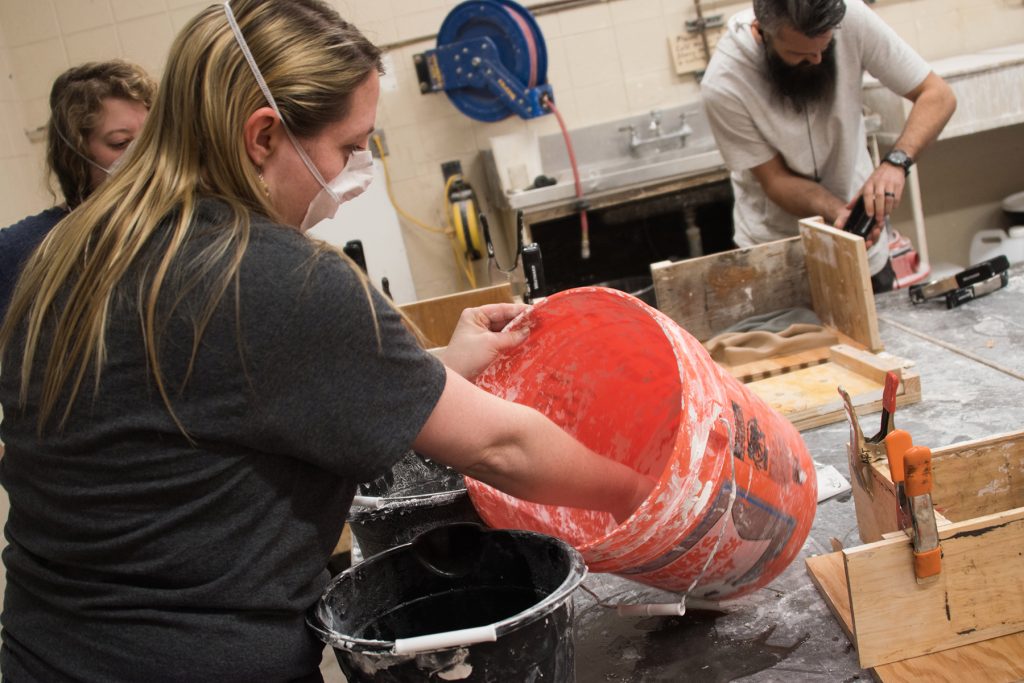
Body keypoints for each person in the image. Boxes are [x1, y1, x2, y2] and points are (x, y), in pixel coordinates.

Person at [0, 1, 652, 680]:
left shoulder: (69, 250)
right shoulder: (269, 274)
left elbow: (216, 401)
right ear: (261, 137)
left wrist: (439, 368)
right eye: (347, 146)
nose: (355, 170)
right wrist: (643, 488)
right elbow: (502, 444)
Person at [700, 0, 956, 292]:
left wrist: (896, 163)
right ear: (761, 31)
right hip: (777, 258)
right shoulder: (724, 83)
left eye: (825, 45)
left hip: (861, 251)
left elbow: (937, 96)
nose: (817, 59)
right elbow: (775, 180)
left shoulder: (853, 18)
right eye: (798, 52)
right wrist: (837, 211)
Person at [0, 60, 155, 320]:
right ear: (76, 156)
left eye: (150, 137)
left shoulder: (184, 223)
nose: (144, 155)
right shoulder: (26, 247)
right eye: (120, 143)